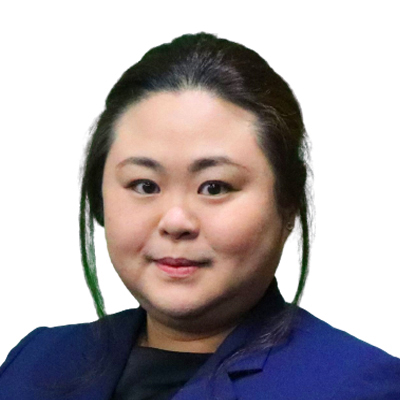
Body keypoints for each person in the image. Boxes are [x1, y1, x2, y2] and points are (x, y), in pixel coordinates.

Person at [0, 32, 399, 400]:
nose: (175, 222)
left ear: (288, 206)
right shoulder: (35, 361)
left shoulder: (360, 387)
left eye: (215, 187)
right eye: (145, 185)